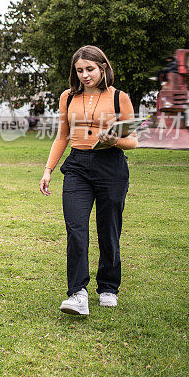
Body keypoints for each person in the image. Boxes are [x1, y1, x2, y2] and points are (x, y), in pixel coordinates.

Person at [39, 45, 138, 315]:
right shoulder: (67, 97)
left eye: (90, 69)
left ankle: (108, 286)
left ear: (103, 68)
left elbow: (133, 141)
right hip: (77, 166)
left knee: (109, 229)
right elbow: (62, 136)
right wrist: (48, 169)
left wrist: (114, 139)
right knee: (76, 228)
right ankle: (77, 293)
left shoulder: (120, 98)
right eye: (79, 70)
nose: (84, 75)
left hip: (111, 166)